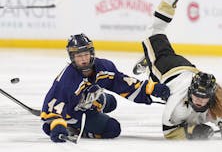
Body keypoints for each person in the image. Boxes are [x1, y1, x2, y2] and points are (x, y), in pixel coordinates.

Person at [133, 0, 222, 140]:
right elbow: (169, 131)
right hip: (166, 68)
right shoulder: (177, 105)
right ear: (190, 91)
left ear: (211, 95)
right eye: (197, 96)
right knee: (154, 30)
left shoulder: (213, 100)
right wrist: (192, 131)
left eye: (204, 97)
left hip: (186, 68)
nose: (200, 101)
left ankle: (148, 62)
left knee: (156, 39)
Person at [40, 33, 170, 142]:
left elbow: (123, 83)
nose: (84, 59)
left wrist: (150, 88)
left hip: (89, 100)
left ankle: (88, 110)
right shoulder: (67, 79)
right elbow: (53, 104)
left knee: (111, 102)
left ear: (92, 53)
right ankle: (73, 128)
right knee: (113, 129)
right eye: (79, 56)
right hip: (73, 111)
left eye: (85, 54)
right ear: (72, 58)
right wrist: (56, 124)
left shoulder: (103, 67)